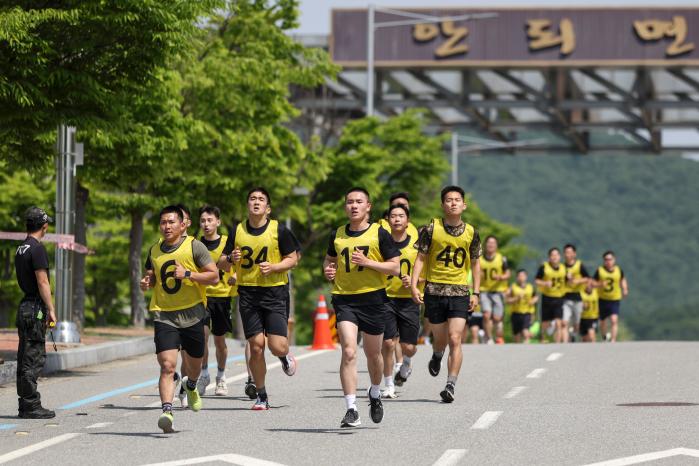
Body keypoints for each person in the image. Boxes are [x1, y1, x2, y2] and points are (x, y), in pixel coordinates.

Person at [323, 187, 400, 428]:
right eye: (349, 202)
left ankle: (375, 393)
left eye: (359, 202)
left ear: (368, 207)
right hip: (344, 299)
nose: (354, 206)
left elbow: (395, 267)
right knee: (348, 350)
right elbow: (329, 259)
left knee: (374, 355)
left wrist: (368, 263)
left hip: (374, 300)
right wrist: (328, 269)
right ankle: (351, 409)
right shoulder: (337, 234)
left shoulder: (380, 233)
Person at [218, 188, 299, 410]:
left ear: (268, 208)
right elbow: (222, 264)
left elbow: (293, 258)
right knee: (255, 346)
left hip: (275, 292)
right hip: (248, 293)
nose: (256, 202)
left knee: (277, 345)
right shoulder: (237, 231)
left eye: (261, 199)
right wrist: (229, 259)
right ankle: (261, 395)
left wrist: (274, 267)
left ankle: (284, 357)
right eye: (252, 198)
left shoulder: (279, 230)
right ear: (247, 205)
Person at [141, 205, 219, 433]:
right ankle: (167, 410)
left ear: (183, 224)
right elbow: (152, 276)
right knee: (167, 365)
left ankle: (191, 385)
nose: (166, 226)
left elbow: (213, 277)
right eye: (163, 222)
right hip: (164, 314)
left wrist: (188, 274)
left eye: (171, 222)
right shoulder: (154, 249)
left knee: (194, 366)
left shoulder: (195, 246)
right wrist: (147, 282)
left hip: (193, 314)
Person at [411, 185, 481, 403]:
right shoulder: (431, 229)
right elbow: (420, 258)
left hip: (459, 291)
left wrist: (476, 292)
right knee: (439, 339)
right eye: (449, 200)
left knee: (455, 338)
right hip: (434, 290)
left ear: (464, 205)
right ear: (442, 205)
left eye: (457, 200)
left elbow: (476, 264)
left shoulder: (471, 232)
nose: (453, 203)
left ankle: (450, 384)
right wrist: (414, 285)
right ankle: (437, 354)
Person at [14, 207, 57, 419]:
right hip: (35, 308)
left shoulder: (21, 248)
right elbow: (42, 281)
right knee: (33, 357)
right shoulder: (37, 248)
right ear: (44, 226)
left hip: (24, 306)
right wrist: (51, 309)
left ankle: (24, 403)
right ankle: (31, 405)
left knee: (24, 357)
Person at [381, 204, 423, 398]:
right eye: (393, 216)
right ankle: (389, 384)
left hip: (409, 300)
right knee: (388, 343)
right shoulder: (381, 244)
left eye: (401, 216)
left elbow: (426, 274)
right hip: (385, 299)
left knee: (408, 347)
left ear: (408, 221)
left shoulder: (416, 247)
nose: (397, 219)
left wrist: (413, 281)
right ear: (388, 220)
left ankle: (406, 362)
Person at [197, 205, 236, 396]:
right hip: (202, 297)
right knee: (202, 337)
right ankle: (204, 374)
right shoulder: (195, 244)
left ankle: (221, 376)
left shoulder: (227, 242)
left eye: (210, 220)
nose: (206, 224)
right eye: (203, 220)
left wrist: (234, 276)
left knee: (219, 340)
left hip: (222, 296)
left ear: (218, 222)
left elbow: (236, 265)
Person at [479, 236, 510, 344]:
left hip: (498, 291)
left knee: (497, 318)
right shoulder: (480, 260)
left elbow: (507, 273)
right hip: (484, 291)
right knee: (486, 315)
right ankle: (489, 338)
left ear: (496, 246)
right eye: (489, 243)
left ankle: (499, 336)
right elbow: (475, 273)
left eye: (493, 243)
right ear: (485, 245)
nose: (491, 245)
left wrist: (501, 277)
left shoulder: (501, 258)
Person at [594, 251, 628, 342]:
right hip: (602, 299)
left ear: (614, 260)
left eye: (610, 259)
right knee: (602, 321)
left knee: (614, 320)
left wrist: (624, 289)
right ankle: (604, 337)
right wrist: (600, 284)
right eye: (606, 260)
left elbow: (622, 279)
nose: (608, 262)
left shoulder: (618, 270)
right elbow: (592, 282)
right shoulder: (600, 271)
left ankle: (613, 339)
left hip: (614, 299)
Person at [535, 248, 567, 343]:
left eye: (556, 255)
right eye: (552, 255)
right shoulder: (544, 267)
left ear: (560, 257)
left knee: (558, 322)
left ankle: (557, 343)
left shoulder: (564, 268)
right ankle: (542, 338)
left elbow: (568, 280)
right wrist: (544, 283)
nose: (554, 257)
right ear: (549, 257)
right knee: (545, 322)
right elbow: (537, 280)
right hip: (547, 297)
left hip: (559, 297)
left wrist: (570, 278)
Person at [562, 244, 590, 343]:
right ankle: (564, 344)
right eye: (566, 252)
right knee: (564, 323)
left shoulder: (579, 265)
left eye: (570, 252)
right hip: (565, 298)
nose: (567, 255)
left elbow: (587, 278)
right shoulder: (562, 267)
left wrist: (577, 281)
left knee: (577, 324)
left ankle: (573, 334)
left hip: (578, 298)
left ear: (574, 254)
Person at [506, 269, 538, 344]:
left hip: (527, 312)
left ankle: (527, 345)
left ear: (526, 277)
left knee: (525, 331)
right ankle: (519, 351)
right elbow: (507, 300)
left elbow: (536, 297)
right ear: (517, 277)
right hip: (515, 313)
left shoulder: (531, 287)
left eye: (523, 275)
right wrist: (516, 298)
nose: (521, 277)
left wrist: (533, 301)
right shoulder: (513, 287)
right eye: (519, 276)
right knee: (516, 336)